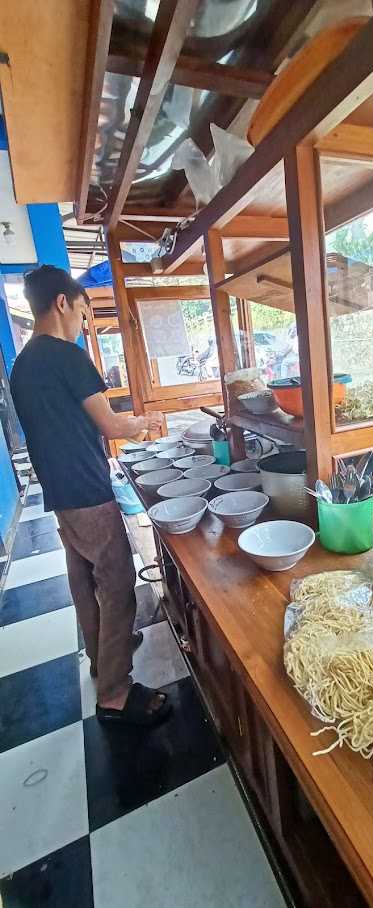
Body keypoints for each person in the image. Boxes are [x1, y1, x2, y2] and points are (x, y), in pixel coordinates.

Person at [10, 265, 170, 727]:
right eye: (83, 311)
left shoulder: (24, 364)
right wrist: (145, 424)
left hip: (60, 495)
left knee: (84, 583)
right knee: (117, 586)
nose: (83, 323)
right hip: (87, 491)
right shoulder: (67, 356)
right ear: (63, 303)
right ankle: (116, 694)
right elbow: (113, 425)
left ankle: (104, 657)